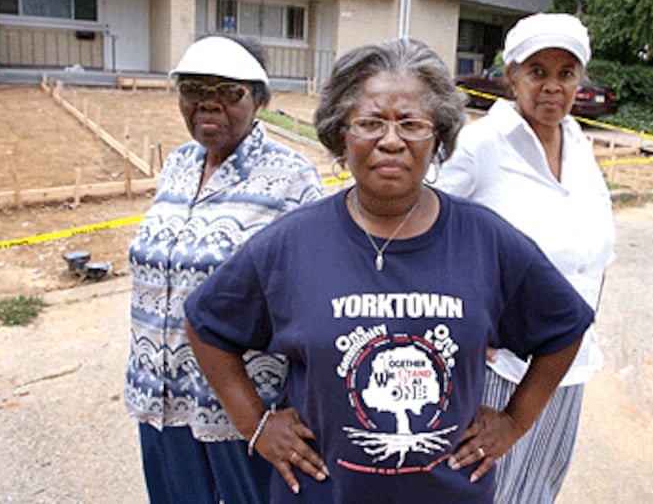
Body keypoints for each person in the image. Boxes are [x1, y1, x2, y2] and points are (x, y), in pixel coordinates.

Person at [183, 37, 594, 504]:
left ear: (438, 136)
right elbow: (206, 323)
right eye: (371, 122)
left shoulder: (485, 240)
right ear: (342, 133)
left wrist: (514, 421)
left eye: (411, 124)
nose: (391, 140)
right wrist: (254, 424)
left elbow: (565, 327)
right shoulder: (292, 243)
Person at [124, 33, 324, 504]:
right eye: (194, 90)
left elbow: (317, 304)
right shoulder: (177, 165)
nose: (207, 104)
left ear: (258, 100)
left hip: (243, 410)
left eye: (228, 92)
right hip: (159, 397)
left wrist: (284, 414)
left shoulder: (292, 177)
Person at [435, 13, 616, 503]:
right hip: (501, 373)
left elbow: (591, 254)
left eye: (566, 73)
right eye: (537, 71)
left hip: (567, 366)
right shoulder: (479, 146)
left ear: (580, 78)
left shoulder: (579, 144)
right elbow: (424, 230)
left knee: (539, 488)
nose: (552, 87)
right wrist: (469, 324)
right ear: (512, 76)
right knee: (484, 489)